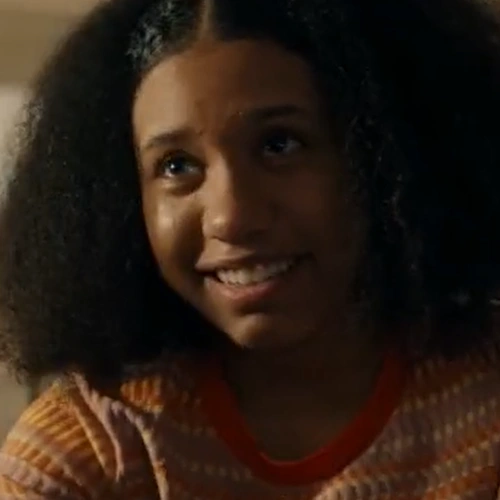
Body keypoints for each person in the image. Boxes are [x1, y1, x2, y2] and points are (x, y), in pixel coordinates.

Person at [1, 0, 500, 497]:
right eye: (177, 166)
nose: (231, 217)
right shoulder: (88, 450)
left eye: (279, 144)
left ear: (392, 153)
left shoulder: (484, 398)